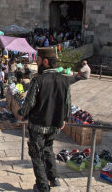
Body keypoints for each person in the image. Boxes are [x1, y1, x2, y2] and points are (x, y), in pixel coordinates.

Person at [18, 47, 71, 191]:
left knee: (36, 154)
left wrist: (22, 113)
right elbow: (67, 103)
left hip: (38, 125)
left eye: (38, 60)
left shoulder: (38, 80)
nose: (36, 62)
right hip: (55, 124)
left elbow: (29, 102)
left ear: (45, 62)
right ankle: (53, 178)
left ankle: (42, 186)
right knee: (48, 149)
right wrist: (64, 119)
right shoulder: (64, 80)